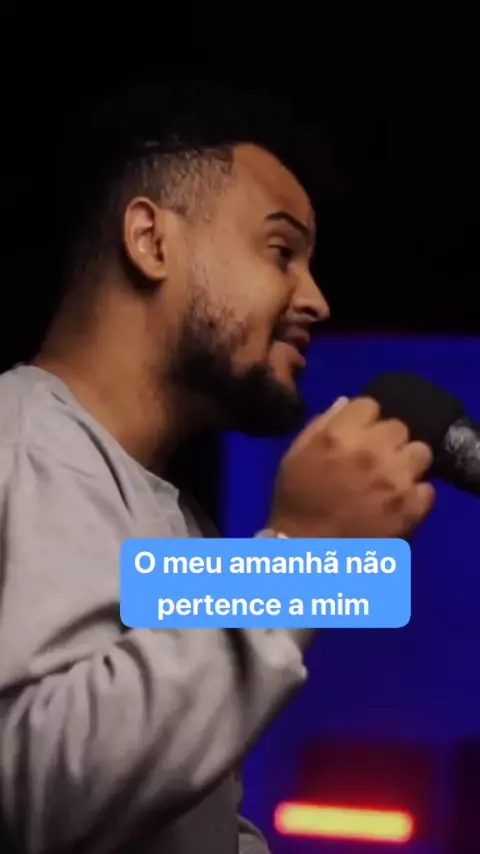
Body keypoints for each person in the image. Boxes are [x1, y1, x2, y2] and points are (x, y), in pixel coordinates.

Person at [0, 81, 435, 854]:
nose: (317, 300)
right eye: (281, 251)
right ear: (151, 240)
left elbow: (180, 815)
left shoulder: (179, 522)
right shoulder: (19, 439)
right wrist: (305, 555)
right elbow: (28, 788)